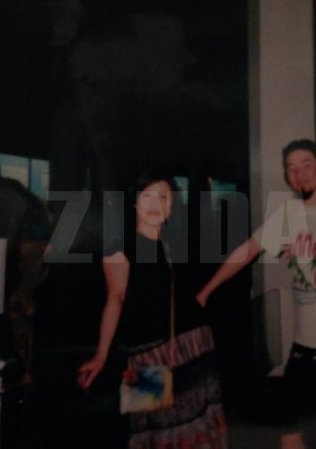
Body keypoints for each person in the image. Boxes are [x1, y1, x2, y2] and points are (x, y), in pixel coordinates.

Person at [196, 139, 316, 449]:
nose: (299, 173)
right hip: (304, 346)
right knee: (290, 430)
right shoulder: (288, 215)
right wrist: (206, 291)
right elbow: (248, 251)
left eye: (306, 164)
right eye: (291, 168)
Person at [78, 171, 228, 449]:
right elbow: (115, 299)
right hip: (148, 353)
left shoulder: (176, 242)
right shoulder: (118, 246)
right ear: (135, 202)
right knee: (151, 432)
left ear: (171, 206)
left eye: (163, 197)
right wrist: (101, 354)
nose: (155, 203)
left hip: (193, 347)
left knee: (199, 425)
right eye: (147, 195)